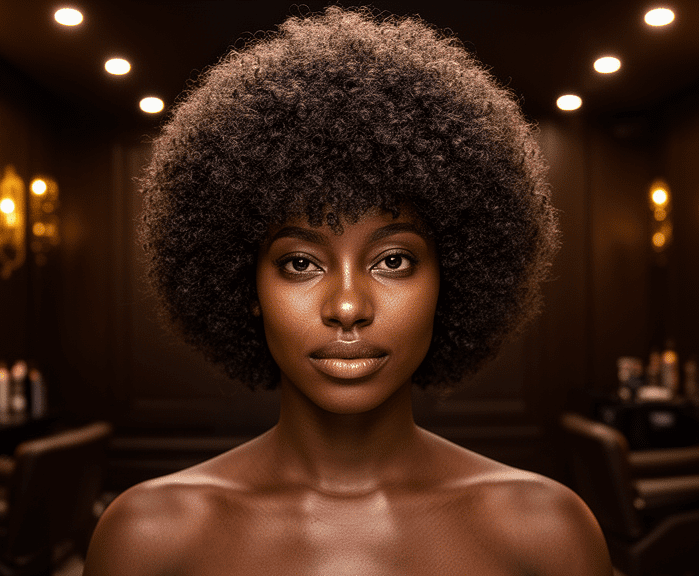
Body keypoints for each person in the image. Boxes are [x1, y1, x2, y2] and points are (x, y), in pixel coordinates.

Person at [84, 6, 612, 575]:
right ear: (245, 282)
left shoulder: (547, 534)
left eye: (392, 260)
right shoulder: (149, 540)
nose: (347, 308)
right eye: (300, 264)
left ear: (452, 275)